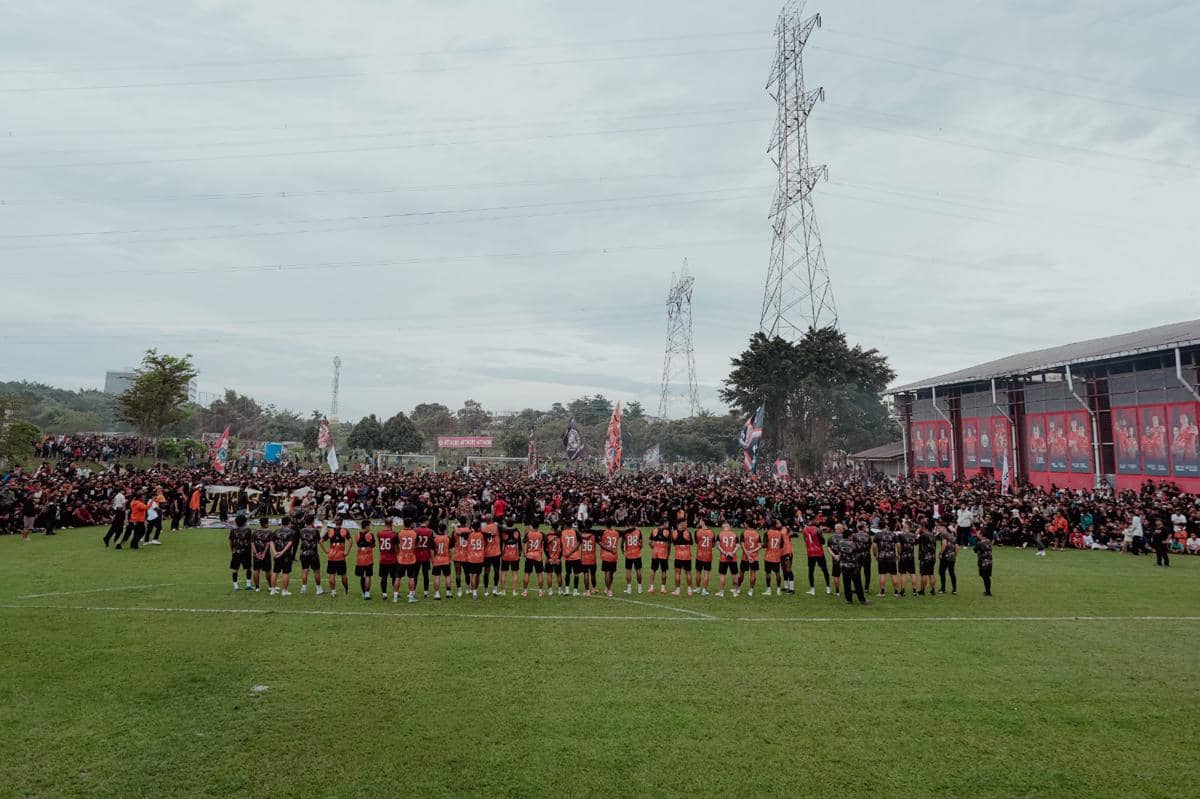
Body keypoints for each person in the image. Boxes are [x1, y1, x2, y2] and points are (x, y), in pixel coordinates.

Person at [834, 526, 867, 605]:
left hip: (844, 566)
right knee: (858, 583)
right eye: (852, 535)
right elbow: (862, 551)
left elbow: (838, 552)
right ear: (849, 536)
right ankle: (862, 600)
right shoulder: (855, 544)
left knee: (846, 583)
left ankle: (848, 600)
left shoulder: (839, 544)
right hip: (854, 566)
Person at [321, 518, 351, 597]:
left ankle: (333, 592)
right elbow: (351, 541)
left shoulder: (330, 531)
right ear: (342, 523)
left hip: (331, 556)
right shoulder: (344, 531)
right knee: (343, 574)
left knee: (331, 574)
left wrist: (326, 551)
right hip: (340, 556)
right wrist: (347, 552)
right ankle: (346, 590)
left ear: (335, 523)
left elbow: (321, 541)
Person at [271, 515, 297, 596]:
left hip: (277, 554)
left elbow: (271, 542)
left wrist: (275, 552)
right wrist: (282, 552)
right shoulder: (292, 532)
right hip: (286, 555)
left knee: (275, 572)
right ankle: (284, 591)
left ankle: (273, 590)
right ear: (289, 523)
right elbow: (290, 543)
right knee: (285, 573)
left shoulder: (276, 531)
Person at [297, 515, 323, 595]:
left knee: (305, 570)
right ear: (312, 521)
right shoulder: (315, 531)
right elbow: (319, 541)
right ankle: (318, 589)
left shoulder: (301, 531)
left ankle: (304, 588)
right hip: (313, 554)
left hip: (303, 553)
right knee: (316, 571)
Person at [802, 521, 830, 595]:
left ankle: (812, 589)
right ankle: (828, 588)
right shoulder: (817, 529)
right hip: (819, 552)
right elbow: (823, 541)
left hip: (810, 552)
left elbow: (805, 540)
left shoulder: (804, 529)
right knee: (824, 569)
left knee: (811, 571)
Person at [377, 518, 400, 602]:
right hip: (393, 558)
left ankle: (384, 594)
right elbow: (397, 548)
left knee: (384, 577)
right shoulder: (394, 534)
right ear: (392, 523)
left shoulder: (379, 533)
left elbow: (380, 547)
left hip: (383, 558)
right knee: (394, 577)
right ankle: (395, 593)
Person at [873, 526, 900, 597]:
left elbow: (874, 546)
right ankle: (896, 592)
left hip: (882, 557)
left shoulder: (877, 534)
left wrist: (875, 554)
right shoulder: (893, 534)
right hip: (891, 557)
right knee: (893, 574)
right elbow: (898, 545)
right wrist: (899, 554)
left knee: (882, 574)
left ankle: (882, 593)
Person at [229, 514, 253, 591]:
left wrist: (232, 550)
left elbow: (231, 541)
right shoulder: (248, 530)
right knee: (248, 568)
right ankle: (248, 584)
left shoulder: (233, 530)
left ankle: (236, 586)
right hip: (246, 552)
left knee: (235, 568)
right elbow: (250, 541)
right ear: (245, 522)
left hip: (236, 551)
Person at [715, 522, 740, 597]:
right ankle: (735, 592)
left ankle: (721, 592)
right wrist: (732, 553)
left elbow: (717, 546)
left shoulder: (720, 534)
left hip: (723, 558)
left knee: (722, 575)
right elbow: (738, 546)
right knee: (735, 575)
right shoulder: (734, 534)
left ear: (723, 527)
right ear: (729, 527)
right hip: (733, 558)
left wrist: (725, 553)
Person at [353, 521, 376, 600]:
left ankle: (363, 592)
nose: (370, 527)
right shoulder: (370, 535)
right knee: (368, 576)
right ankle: (367, 593)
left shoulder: (357, 535)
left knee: (362, 576)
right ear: (366, 526)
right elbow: (373, 545)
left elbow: (358, 543)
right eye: (369, 526)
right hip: (368, 558)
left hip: (359, 559)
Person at [251, 517, 274, 593]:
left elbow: (252, 543)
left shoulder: (254, 532)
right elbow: (268, 543)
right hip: (265, 554)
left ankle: (257, 587)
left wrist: (256, 553)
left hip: (257, 555)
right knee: (268, 571)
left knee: (256, 570)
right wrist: (264, 553)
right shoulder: (269, 532)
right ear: (266, 523)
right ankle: (270, 586)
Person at [522, 523, 546, 597]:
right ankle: (541, 592)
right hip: (538, 556)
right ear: (538, 526)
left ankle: (525, 592)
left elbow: (523, 542)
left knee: (527, 573)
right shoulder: (541, 534)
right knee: (539, 574)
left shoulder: (528, 534)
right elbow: (547, 541)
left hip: (529, 556)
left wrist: (524, 552)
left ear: (532, 526)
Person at [397, 522, 419, 602]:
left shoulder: (400, 532)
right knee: (412, 578)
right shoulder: (414, 533)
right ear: (411, 525)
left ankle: (395, 596)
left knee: (398, 577)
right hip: (411, 558)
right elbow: (418, 544)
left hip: (401, 558)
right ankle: (410, 596)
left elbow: (396, 543)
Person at [431, 523, 453, 600]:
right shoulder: (448, 538)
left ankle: (437, 593)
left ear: (438, 529)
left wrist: (432, 560)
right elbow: (450, 550)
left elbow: (432, 551)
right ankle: (448, 592)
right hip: (446, 560)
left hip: (437, 560)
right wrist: (450, 559)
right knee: (447, 576)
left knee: (437, 576)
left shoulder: (435, 538)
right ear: (445, 529)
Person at [671, 521, 693, 596]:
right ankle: (690, 590)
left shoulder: (674, 533)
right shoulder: (687, 532)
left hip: (678, 555)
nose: (686, 524)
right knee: (688, 573)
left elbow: (674, 543)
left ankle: (677, 590)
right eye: (685, 523)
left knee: (677, 573)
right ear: (681, 524)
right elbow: (691, 542)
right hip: (687, 555)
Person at [482, 517, 502, 597]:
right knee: (496, 571)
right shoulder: (496, 526)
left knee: (486, 572)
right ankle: (495, 589)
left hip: (487, 553)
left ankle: (486, 591)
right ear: (491, 520)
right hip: (496, 552)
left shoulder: (483, 528)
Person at [739, 525, 761, 597]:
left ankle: (738, 588)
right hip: (754, 557)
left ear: (747, 524)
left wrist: (747, 553)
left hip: (745, 557)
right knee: (753, 574)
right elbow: (760, 546)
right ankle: (751, 590)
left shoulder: (743, 533)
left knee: (741, 573)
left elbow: (742, 545)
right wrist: (752, 551)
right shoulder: (757, 533)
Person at [647, 524, 670, 594]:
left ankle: (651, 587)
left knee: (653, 570)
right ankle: (663, 588)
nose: (668, 524)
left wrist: (653, 548)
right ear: (664, 523)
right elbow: (669, 545)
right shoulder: (667, 532)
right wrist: (668, 553)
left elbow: (649, 542)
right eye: (667, 523)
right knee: (664, 571)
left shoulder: (654, 530)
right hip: (663, 553)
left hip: (655, 553)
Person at [466, 521, 486, 599]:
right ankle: (475, 590)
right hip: (480, 557)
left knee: (473, 575)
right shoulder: (481, 535)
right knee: (477, 575)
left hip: (472, 557)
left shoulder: (470, 535)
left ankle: (474, 591)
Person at [896, 522, 918, 596]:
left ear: (905, 526)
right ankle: (915, 591)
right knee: (913, 573)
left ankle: (903, 591)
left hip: (903, 556)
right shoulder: (913, 535)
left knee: (903, 574)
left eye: (903, 525)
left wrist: (898, 554)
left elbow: (898, 545)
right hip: (911, 556)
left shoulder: (900, 535)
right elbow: (915, 543)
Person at [414, 520, 433, 598]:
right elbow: (431, 545)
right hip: (426, 555)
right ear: (425, 522)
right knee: (426, 574)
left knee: (415, 574)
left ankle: (413, 591)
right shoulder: (430, 531)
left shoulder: (415, 530)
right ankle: (426, 592)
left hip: (417, 555)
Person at [693, 521, 714, 596]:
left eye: (701, 521)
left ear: (703, 522)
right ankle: (704, 590)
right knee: (706, 573)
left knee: (698, 572)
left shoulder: (697, 531)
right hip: (708, 555)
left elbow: (696, 542)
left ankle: (698, 588)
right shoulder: (712, 532)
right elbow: (713, 545)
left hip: (699, 555)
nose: (699, 522)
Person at [501, 523, 522, 595]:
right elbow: (519, 543)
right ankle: (514, 591)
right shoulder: (516, 532)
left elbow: (501, 543)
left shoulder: (504, 532)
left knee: (504, 573)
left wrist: (501, 553)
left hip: (506, 554)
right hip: (514, 554)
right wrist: (519, 553)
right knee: (515, 573)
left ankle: (503, 591)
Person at [599, 525, 620, 597]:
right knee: (611, 573)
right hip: (614, 555)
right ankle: (608, 588)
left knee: (607, 573)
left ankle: (608, 589)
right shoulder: (616, 533)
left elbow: (601, 542)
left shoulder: (604, 532)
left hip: (606, 555)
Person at [621, 525, 643, 594]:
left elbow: (622, 544)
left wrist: (623, 551)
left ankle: (629, 589)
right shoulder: (638, 531)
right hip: (637, 554)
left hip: (629, 554)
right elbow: (641, 544)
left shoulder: (625, 532)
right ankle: (640, 588)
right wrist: (638, 549)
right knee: (638, 570)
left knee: (628, 571)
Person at [917, 522, 937, 595]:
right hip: (932, 557)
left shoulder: (923, 535)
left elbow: (915, 542)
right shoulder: (933, 536)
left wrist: (917, 533)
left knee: (924, 574)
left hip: (924, 557)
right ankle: (933, 590)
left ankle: (922, 590)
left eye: (921, 527)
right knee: (931, 574)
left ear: (924, 527)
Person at [562, 524, 582, 596]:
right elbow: (580, 541)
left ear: (566, 526)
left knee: (568, 573)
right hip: (576, 557)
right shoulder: (575, 532)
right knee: (576, 574)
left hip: (568, 557)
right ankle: (575, 591)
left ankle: (567, 590)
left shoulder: (562, 532)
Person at [452, 521, 470, 598]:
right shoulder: (469, 530)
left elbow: (452, 543)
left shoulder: (455, 531)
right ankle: (468, 588)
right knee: (467, 573)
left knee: (458, 573)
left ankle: (459, 590)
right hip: (466, 555)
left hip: (457, 555)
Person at [938, 528, 958, 595]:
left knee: (942, 572)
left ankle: (943, 589)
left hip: (945, 557)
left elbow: (944, 544)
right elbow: (957, 547)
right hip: (952, 557)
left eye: (939, 528)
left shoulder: (943, 535)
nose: (938, 529)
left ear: (944, 528)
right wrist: (955, 555)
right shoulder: (953, 536)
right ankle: (954, 589)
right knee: (952, 572)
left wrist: (940, 553)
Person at [827, 524, 845, 597]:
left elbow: (829, 548)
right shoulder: (845, 537)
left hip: (836, 560)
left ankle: (837, 592)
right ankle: (848, 590)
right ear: (840, 529)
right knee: (847, 576)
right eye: (842, 528)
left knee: (836, 576)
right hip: (845, 559)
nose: (843, 529)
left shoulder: (831, 538)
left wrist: (834, 556)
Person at [545, 525, 564, 596]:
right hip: (557, 559)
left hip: (550, 558)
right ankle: (560, 590)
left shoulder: (548, 536)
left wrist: (548, 558)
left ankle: (550, 591)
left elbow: (545, 548)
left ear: (552, 528)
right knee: (559, 574)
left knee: (549, 575)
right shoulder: (560, 536)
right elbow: (562, 549)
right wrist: (559, 558)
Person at [579, 526, 597, 596]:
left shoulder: (581, 536)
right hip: (592, 558)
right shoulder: (593, 536)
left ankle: (587, 591)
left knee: (586, 574)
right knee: (593, 574)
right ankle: (594, 588)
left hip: (584, 558)